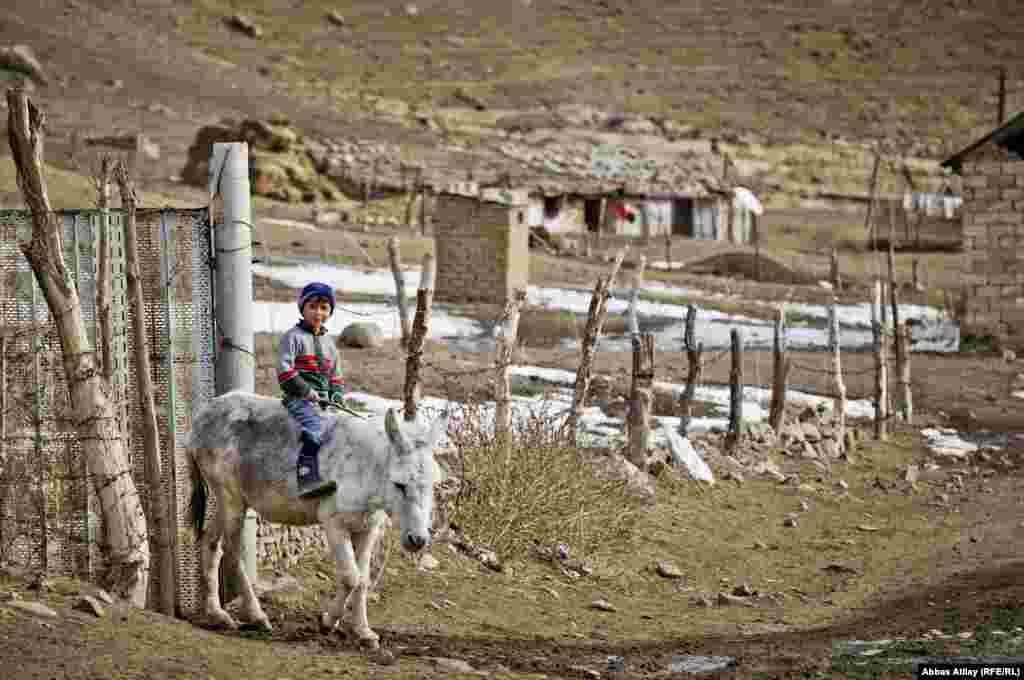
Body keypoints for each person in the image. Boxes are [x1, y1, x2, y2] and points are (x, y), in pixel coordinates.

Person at [278, 282, 346, 498]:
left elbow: (335, 374)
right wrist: (305, 390)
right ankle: (306, 479)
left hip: (324, 401)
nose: (319, 312)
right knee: (316, 428)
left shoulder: (329, 343)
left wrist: (336, 394)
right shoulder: (293, 337)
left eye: (324, 308)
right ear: (303, 308)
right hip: (300, 399)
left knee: (340, 429)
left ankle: (330, 473)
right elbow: (284, 370)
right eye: (313, 306)